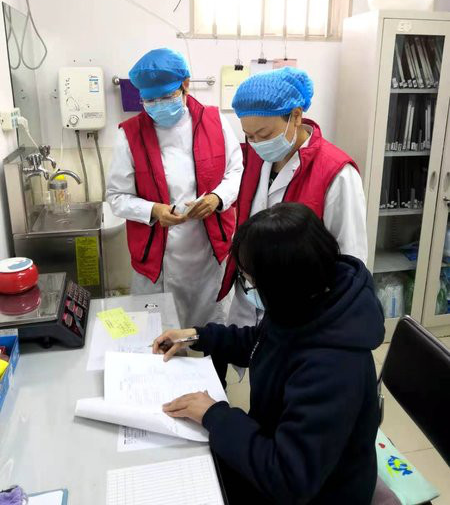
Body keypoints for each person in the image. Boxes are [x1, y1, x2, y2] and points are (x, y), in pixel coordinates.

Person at [153, 203, 385, 504]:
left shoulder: (333, 365)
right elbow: (261, 342)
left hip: (317, 492)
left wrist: (214, 414)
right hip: (277, 449)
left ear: (281, 284)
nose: (248, 288)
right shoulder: (307, 299)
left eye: (249, 281)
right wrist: (198, 336)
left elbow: (289, 479)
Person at [218, 66, 368, 329]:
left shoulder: (336, 173)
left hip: (303, 310)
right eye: (249, 136)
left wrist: (333, 325)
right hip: (250, 299)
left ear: (296, 116)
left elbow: (351, 257)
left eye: (264, 134)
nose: (257, 143)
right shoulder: (255, 158)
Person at [106, 48, 243, 327]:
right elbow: (116, 197)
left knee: (211, 329)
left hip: (209, 251)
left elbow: (235, 170)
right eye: (150, 100)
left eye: (166, 97)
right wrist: (153, 210)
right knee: (158, 331)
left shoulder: (215, 121)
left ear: (186, 85)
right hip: (157, 256)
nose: (158, 105)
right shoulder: (130, 135)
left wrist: (217, 198)